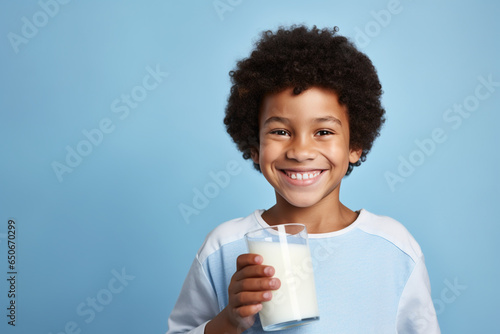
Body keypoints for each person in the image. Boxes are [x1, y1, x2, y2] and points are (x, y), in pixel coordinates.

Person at [166, 25, 440, 334]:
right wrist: (229, 321)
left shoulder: (394, 248)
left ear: (354, 145)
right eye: (280, 131)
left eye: (323, 132)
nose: (300, 151)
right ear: (255, 148)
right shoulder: (224, 247)